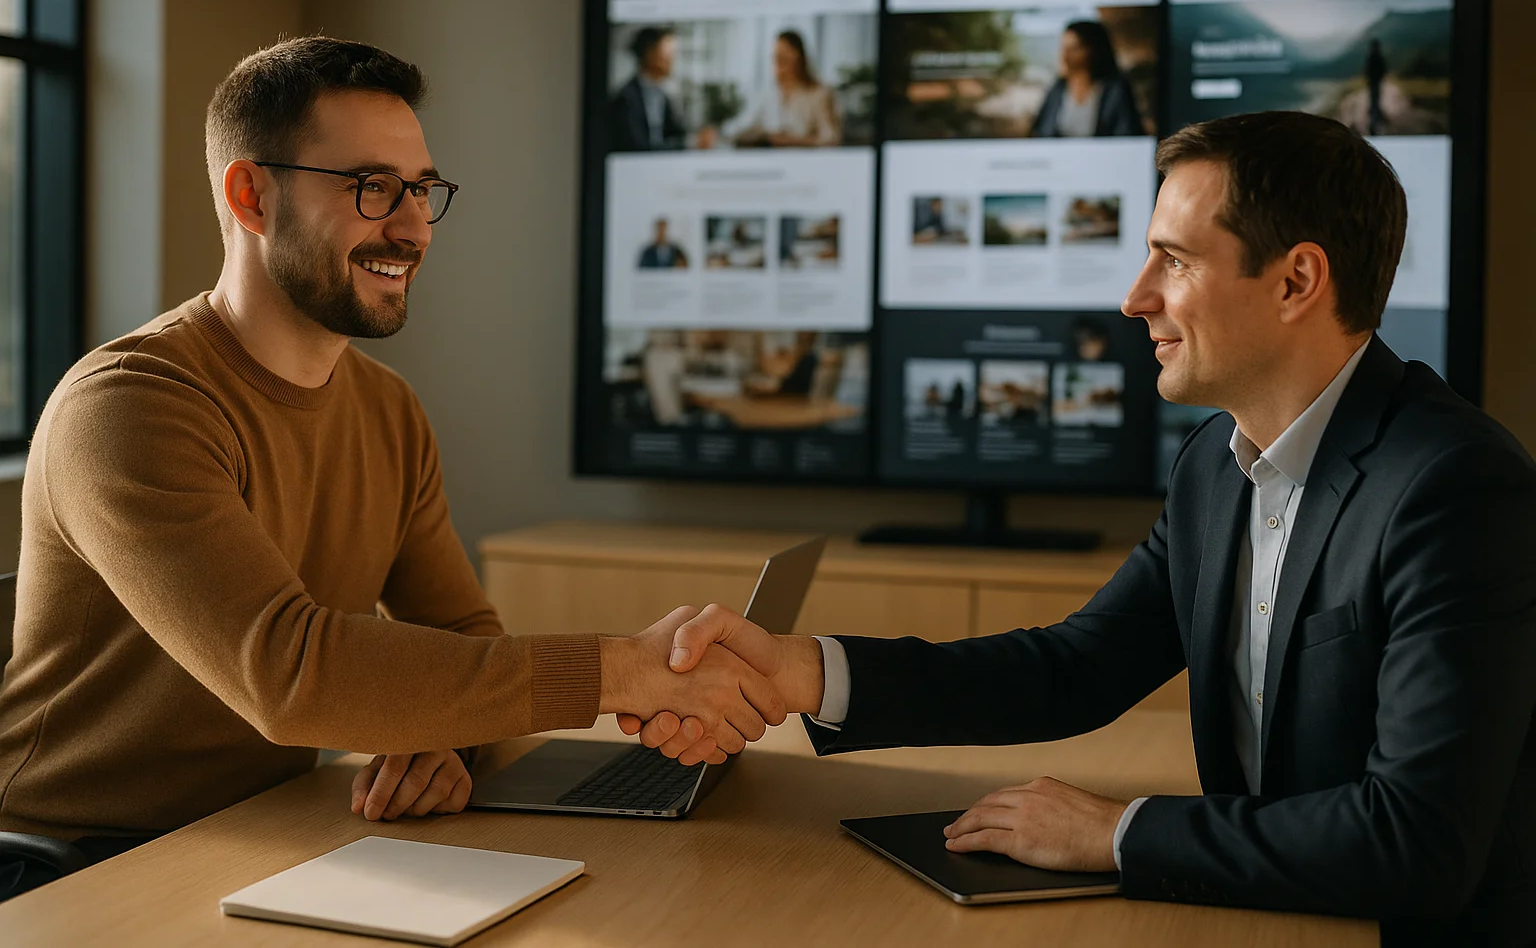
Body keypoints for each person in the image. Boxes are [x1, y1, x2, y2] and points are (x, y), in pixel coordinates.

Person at [629, 111, 1536, 944]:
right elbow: (1074, 668)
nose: (1135, 296)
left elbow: (1416, 843)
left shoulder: (1452, 489)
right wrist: (803, 671)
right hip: (1269, 912)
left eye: (1174, 260)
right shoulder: (1213, 466)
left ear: (1297, 279)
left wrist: (1118, 830)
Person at [0, 37, 782, 900]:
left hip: (270, 826)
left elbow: (464, 638)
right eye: (372, 187)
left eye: (421, 190)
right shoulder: (132, 405)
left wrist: (442, 738)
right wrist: (621, 669)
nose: (410, 227)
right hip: (70, 864)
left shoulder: (387, 408)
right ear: (251, 195)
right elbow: (290, 673)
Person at [724, 30, 841, 148]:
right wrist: (719, 133)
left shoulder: (820, 93)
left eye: (784, 60)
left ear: (799, 59)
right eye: (776, 60)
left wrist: (792, 141)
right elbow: (742, 125)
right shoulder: (768, 94)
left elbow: (831, 138)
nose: (779, 67)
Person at [1030, 20, 1143, 139]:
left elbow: (1126, 133)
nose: (1066, 55)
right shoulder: (1058, 89)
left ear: (1092, 50)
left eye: (1074, 48)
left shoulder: (1115, 90)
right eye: (1064, 48)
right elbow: (1041, 131)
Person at [610, 26, 715, 152]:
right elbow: (637, 147)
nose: (672, 59)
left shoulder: (661, 95)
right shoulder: (626, 98)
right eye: (667, 53)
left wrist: (696, 138)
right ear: (650, 54)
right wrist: (689, 143)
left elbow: (674, 133)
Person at [1365, 38, 1388, 136]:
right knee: (1376, 100)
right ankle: (1375, 120)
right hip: (1376, 82)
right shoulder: (1378, 56)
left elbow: (1367, 70)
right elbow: (1383, 70)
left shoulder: (1371, 56)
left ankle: (1373, 123)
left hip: (1372, 82)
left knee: (1374, 101)